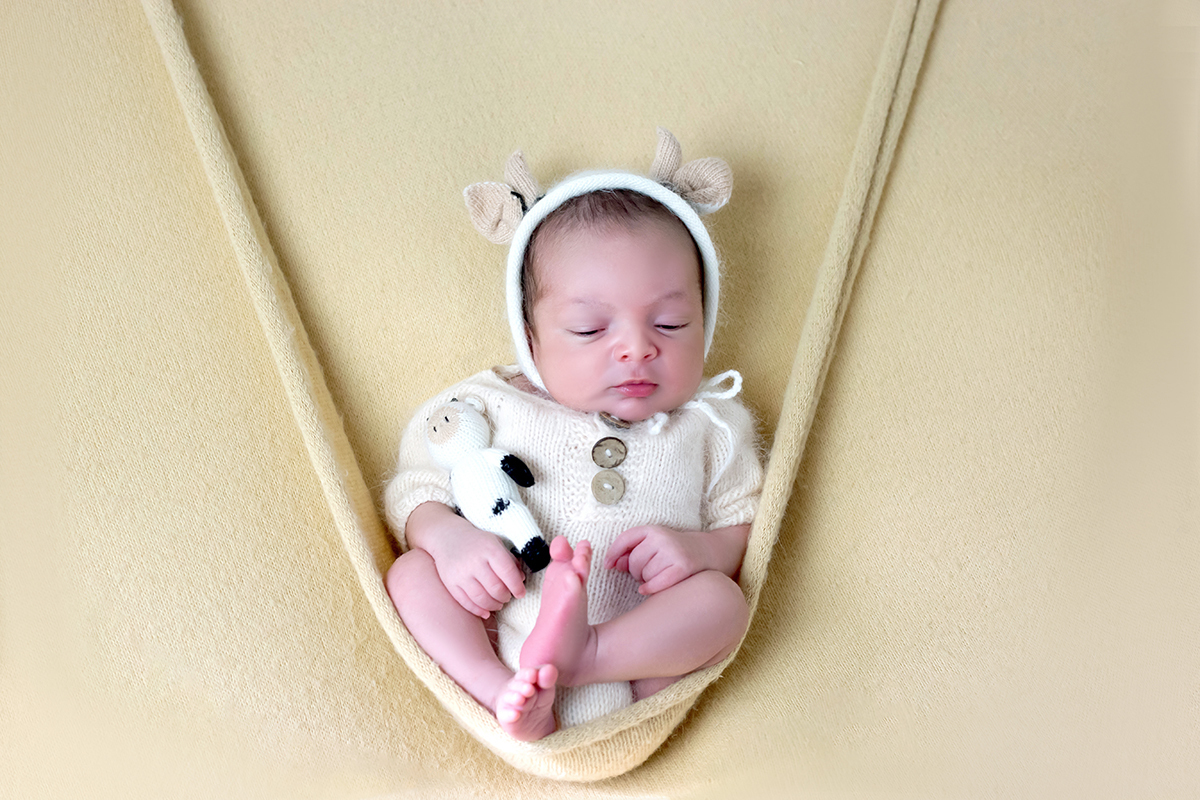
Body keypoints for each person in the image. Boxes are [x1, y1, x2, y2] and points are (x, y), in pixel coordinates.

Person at [383, 132, 763, 741]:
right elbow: (418, 485)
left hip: (639, 657)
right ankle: (499, 690)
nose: (638, 346)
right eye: (589, 329)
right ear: (530, 339)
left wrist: (705, 553)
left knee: (723, 603)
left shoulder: (710, 424)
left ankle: (589, 657)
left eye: (671, 323)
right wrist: (447, 537)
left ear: (706, 318)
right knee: (411, 577)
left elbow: (743, 521)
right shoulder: (489, 403)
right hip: (500, 622)